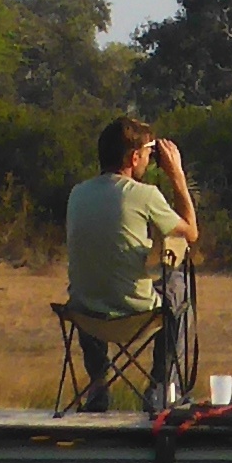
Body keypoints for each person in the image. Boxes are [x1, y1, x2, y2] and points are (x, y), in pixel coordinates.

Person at [65, 117, 198, 410]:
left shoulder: (77, 194)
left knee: (93, 280)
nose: (150, 162)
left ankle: (97, 385)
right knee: (178, 284)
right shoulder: (144, 195)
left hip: (85, 314)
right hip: (134, 313)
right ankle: (161, 386)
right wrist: (177, 176)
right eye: (149, 154)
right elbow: (191, 231)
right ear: (134, 157)